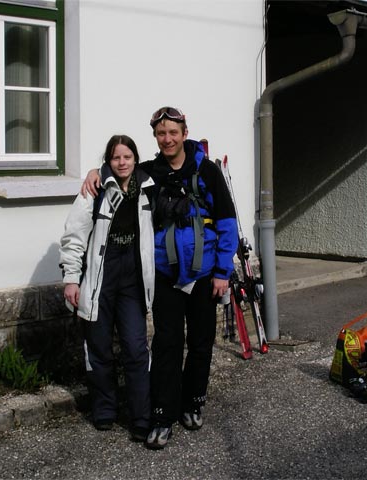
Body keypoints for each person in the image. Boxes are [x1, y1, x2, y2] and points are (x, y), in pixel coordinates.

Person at [82, 107, 238, 449]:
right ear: (156, 137)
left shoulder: (207, 172)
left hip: (204, 273)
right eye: (160, 133)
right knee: (166, 345)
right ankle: (163, 414)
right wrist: (95, 171)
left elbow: (227, 224)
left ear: (184, 133)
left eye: (173, 132)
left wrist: (224, 273)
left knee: (200, 343)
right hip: (166, 274)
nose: (167, 139)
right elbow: (119, 170)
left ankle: (193, 401)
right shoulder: (148, 173)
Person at [60, 134, 155, 442]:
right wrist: (71, 279)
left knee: (135, 348)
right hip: (100, 278)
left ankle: (141, 415)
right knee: (99, 348)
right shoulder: (96, 189)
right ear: (108, 161)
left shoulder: (148, 189)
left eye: (127, 157)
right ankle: (105, 410)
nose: (122, 162)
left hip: (133, 280)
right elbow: (74, 235)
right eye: (116, 158)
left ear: (135, 159)